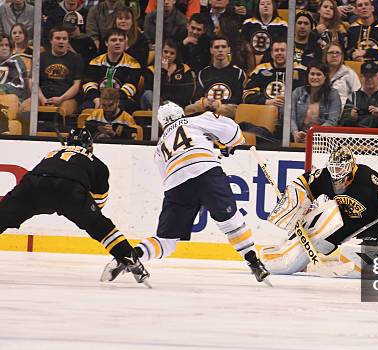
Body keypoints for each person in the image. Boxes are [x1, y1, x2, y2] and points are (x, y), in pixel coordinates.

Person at [102, 101, 270, 283]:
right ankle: (254, 262)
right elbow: (234, 133)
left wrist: (190, 198)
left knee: (166, 241)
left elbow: (167, 178)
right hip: (206, 173)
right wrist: (229, 145)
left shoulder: (159, 148)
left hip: (176, 185)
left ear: (161, 124)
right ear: (181, 114)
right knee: (230, 221)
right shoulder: (195, 120)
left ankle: (132, 256)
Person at [0, 127, 151, 286]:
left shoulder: (51, 154)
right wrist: (87, 214)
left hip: (34, 184)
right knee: (103, 227)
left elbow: (44, 175)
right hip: (69, 190)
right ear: (90, 146)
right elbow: (99, 204)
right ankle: (132, 261)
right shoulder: (97, 163)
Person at [261, 145, 378, 276]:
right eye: (333, 168)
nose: (336, 172)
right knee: (320, 241)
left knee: (354, 259)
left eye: (341, 168)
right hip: (347, 222)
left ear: (351, 166)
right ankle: (286, 258)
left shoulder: (367, 177)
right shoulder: (325, 176)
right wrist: (294, 201)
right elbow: (303, 183)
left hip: (373, 225)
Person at [20, 26, 83, 117]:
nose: (61, 41)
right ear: (51, 40)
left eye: (64, 39)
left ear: (68, 41)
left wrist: (61, 99)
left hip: (66, 98)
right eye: (57, 38)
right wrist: (42, 99)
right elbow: (32, 82)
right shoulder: (40, 58)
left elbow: (76, 85)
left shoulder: (76, 58)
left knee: (64, 111)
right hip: (42, 95)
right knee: (24, 108)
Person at [82, 28, 141, 113]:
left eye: (121, 40)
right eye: (113, 40)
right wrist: (97, 99)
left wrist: (109, 102)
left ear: (125, 43)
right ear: (106, 43)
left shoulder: (133, 64)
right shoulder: (95, 62)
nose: (117, 43)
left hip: (122, 100)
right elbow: (89, 84)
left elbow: (130, 88)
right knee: (84, 108)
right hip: (98, 99)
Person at [186, 35, 245, 115]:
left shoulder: (238, 73)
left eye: (223, 47)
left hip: (228, 109)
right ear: (211, 50)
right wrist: (204, 102)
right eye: (216, 47)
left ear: (228, 50)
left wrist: (219, 103)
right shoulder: (203, 73)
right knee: (189, 109)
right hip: (207, 108)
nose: (220, 50)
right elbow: (196, 97)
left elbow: (238, 99)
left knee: (222, 110)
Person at [290, 61, 342, 143]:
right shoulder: (297, 92)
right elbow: (290, 117)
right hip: (298, 137)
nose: (314, 77)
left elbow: (332, 121)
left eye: (318, 74)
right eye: (312, 74)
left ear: (325, 77)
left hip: (323, 139)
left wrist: (313, 134)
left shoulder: (333, 94)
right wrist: (295, 133)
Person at [339, 61, 378, 128]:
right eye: (366, 76)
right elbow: (342, 124)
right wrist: (351, 118)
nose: (369, 79)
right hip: (358, 135)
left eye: (372, 76)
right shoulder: (352, 97)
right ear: (361, 77)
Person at [142, 38, 196, 109]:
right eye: (165, 52)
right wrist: (163, 71)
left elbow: (186, 94)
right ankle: (163, 109)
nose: (168, 55)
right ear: (161, 52)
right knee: (148, 94)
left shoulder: (184, 69)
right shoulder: (151, 70)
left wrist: (168, 100)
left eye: (172, 53)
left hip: (176, 104)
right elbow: (151, 90)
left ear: (176, 55)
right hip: (155, 105)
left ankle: (165, 108)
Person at [324, 41, 360, 108]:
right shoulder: (320, 73)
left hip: (343, 112)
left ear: (342, 56)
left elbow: (358, 95)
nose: (334, 55)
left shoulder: (349, 73)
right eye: (331, 52)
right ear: (325, 55)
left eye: (337, 53)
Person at [0, 33, 28, 102]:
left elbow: (20, 87)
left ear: (11, 48)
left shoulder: (16, 61)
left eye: (7, 45)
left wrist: (2, 88)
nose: (4, 48)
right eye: (1, 45)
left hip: (12, 100)